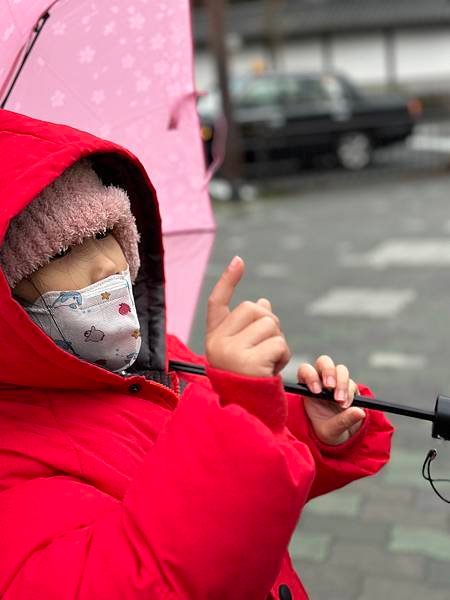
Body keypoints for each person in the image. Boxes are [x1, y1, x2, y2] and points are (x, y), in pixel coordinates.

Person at [0, 109, 393, 600]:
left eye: (106, 234)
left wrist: (309, 429)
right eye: (61, 253)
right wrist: (242, 407)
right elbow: (143, 579)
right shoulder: (15, 454)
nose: (105, 262)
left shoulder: (151, 358)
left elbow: (235, 491)